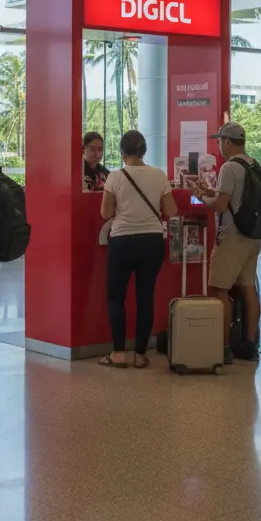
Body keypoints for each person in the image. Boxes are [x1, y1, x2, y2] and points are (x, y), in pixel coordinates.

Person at [100, 130, 178, 368]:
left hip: (123, 240)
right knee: (145, 297)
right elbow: (172, 210)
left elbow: (105, 213)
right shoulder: (159, 175)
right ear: (144, 151)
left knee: (116, 297)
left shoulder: (115, 176)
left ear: (123, 153)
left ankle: (119, 353)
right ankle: (141, 355)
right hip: (152, 241)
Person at [197, 121, 261, 364]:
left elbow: (221, 205)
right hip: (253, 236)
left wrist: (202, 196)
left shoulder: (229, 167)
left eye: (219, 141)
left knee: (219, 289)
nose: (218, 146)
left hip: (232, 236)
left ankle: (223, 347)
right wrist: (211, 193)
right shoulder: (254, 164)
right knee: (247, 288)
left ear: (227, 142)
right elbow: (233, 200)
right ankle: (250, 345)